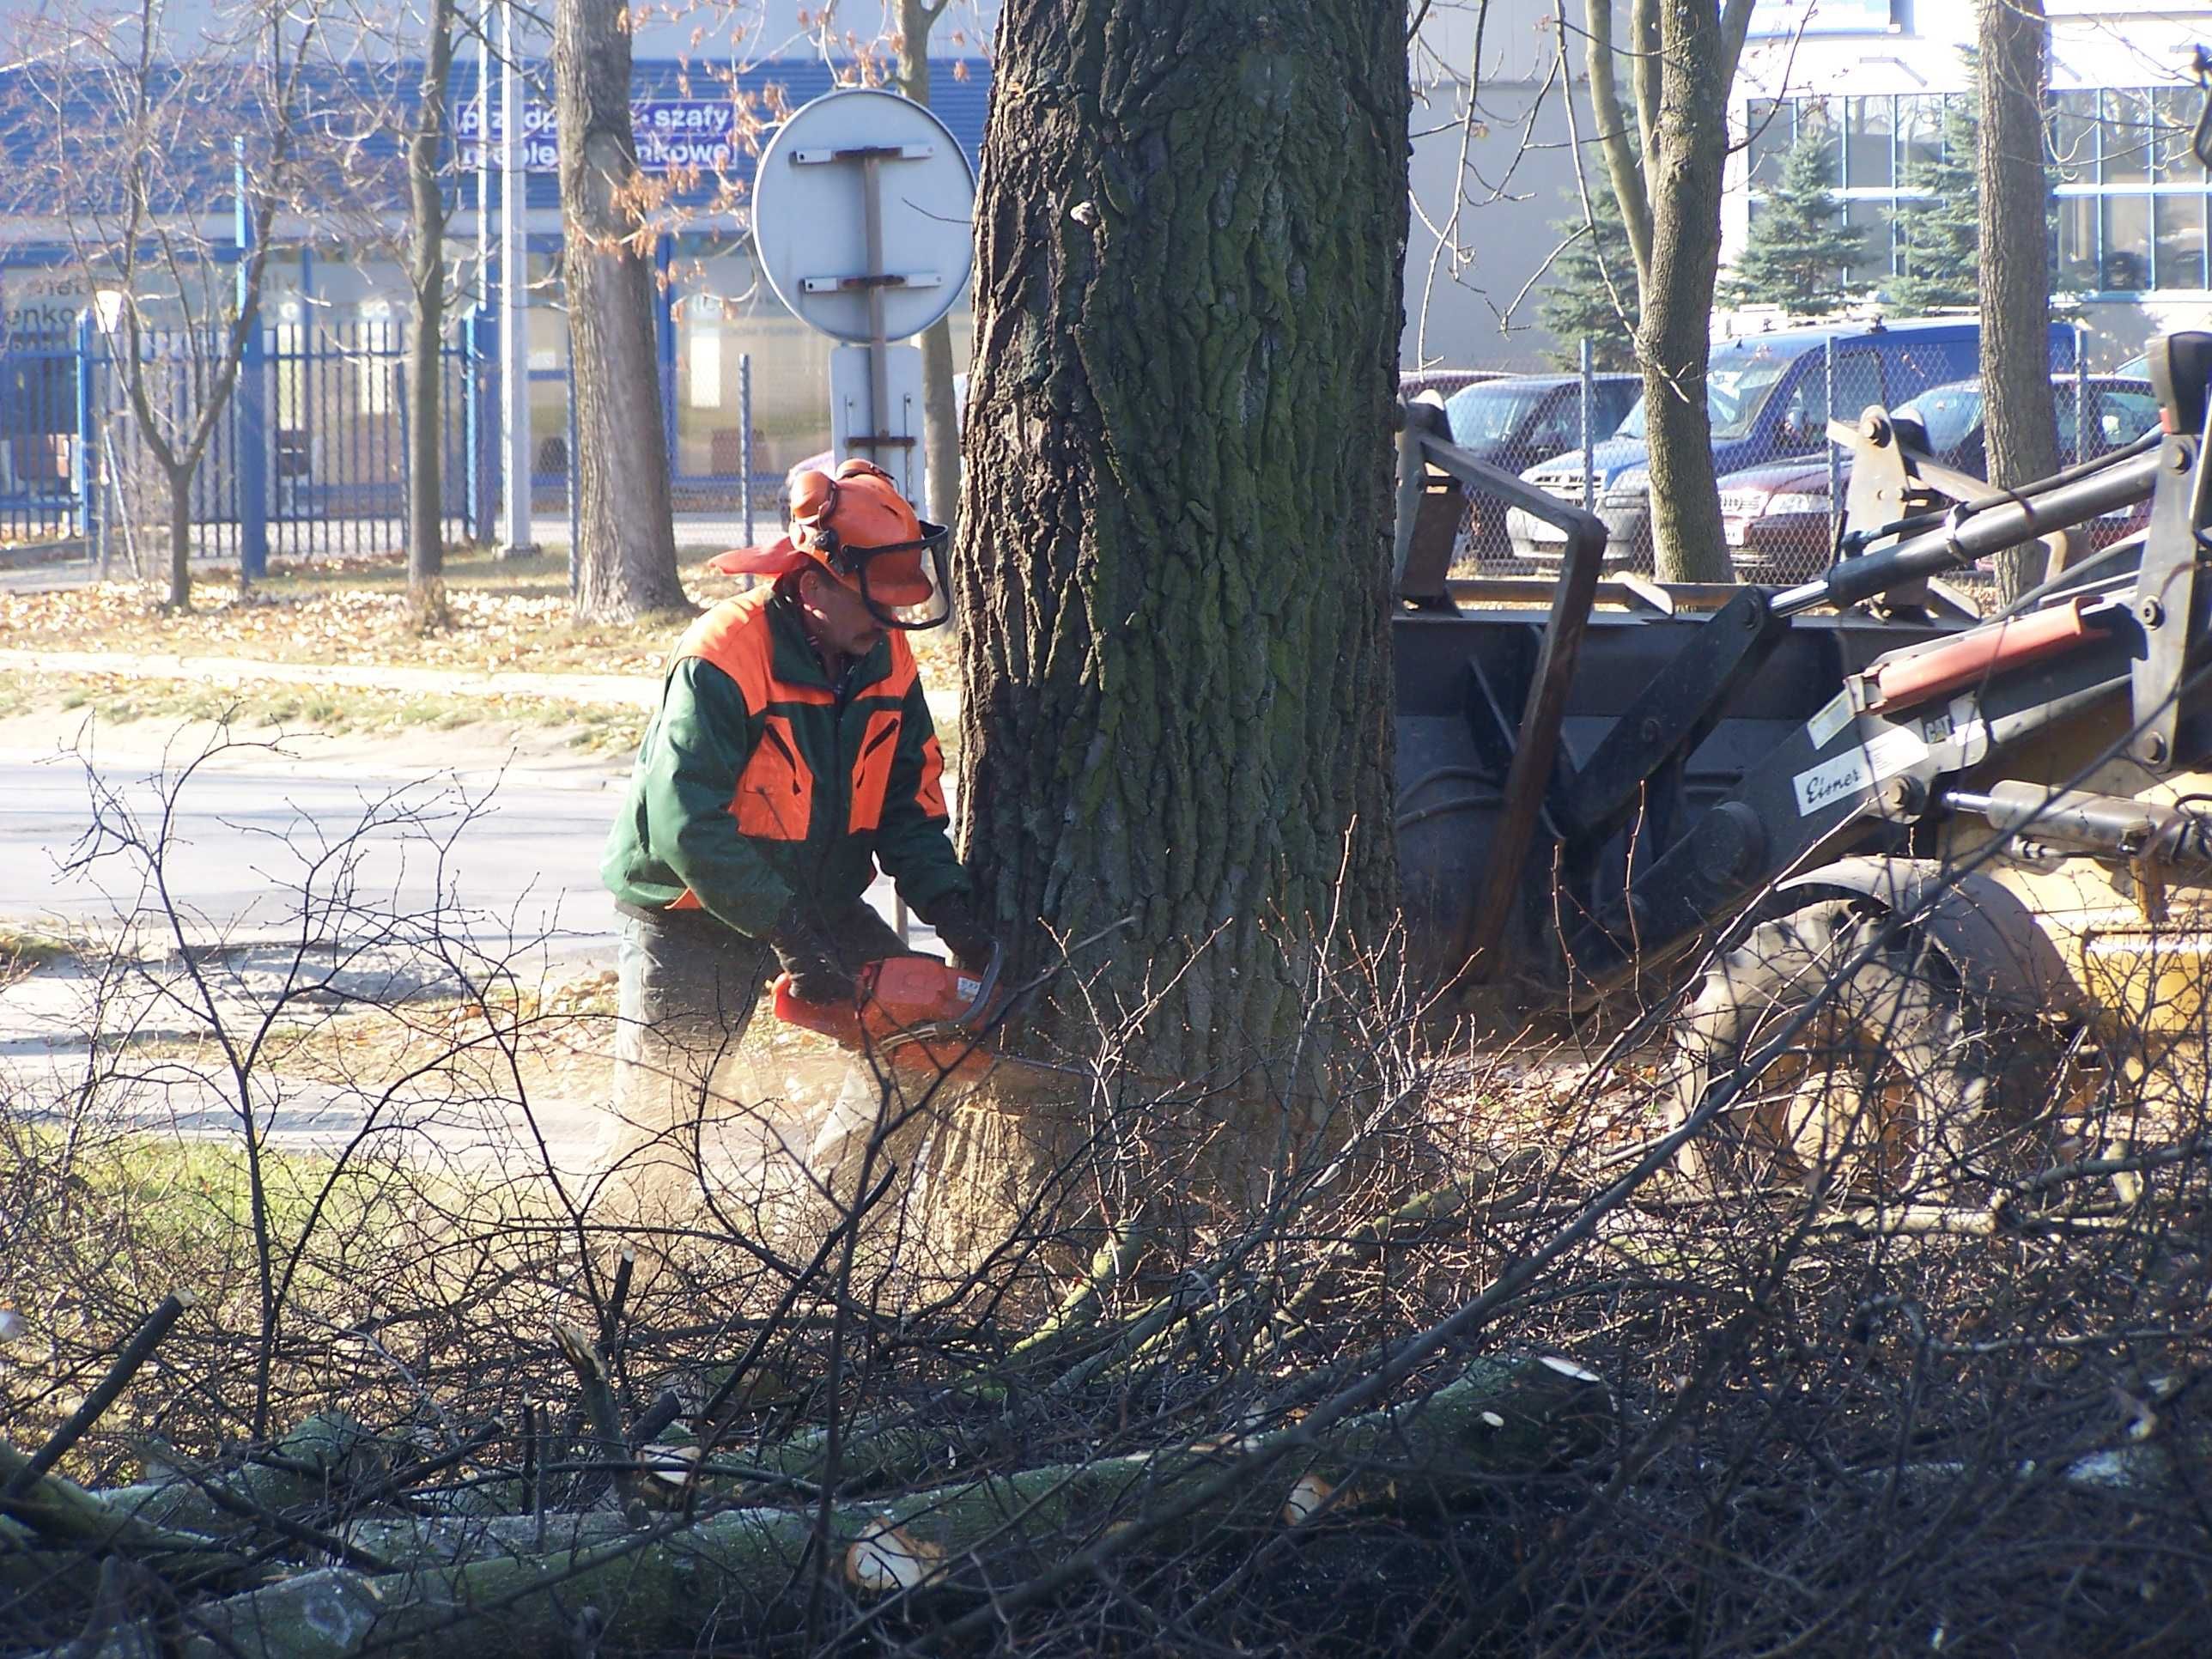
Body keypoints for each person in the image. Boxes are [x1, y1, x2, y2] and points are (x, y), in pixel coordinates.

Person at [599, 459, 996, 1175]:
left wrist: (949, 903)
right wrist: (787, 930)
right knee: (666, 1120)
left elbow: (908, 799)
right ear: (813, 586)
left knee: (927, 1044)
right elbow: (686, 822)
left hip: (818, 902)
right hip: (692, 909)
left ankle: (826, 1237)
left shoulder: (885, 659)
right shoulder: (725, 656)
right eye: (874, 604)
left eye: (895, 605)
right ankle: (626, 1271)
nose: (890, 622)